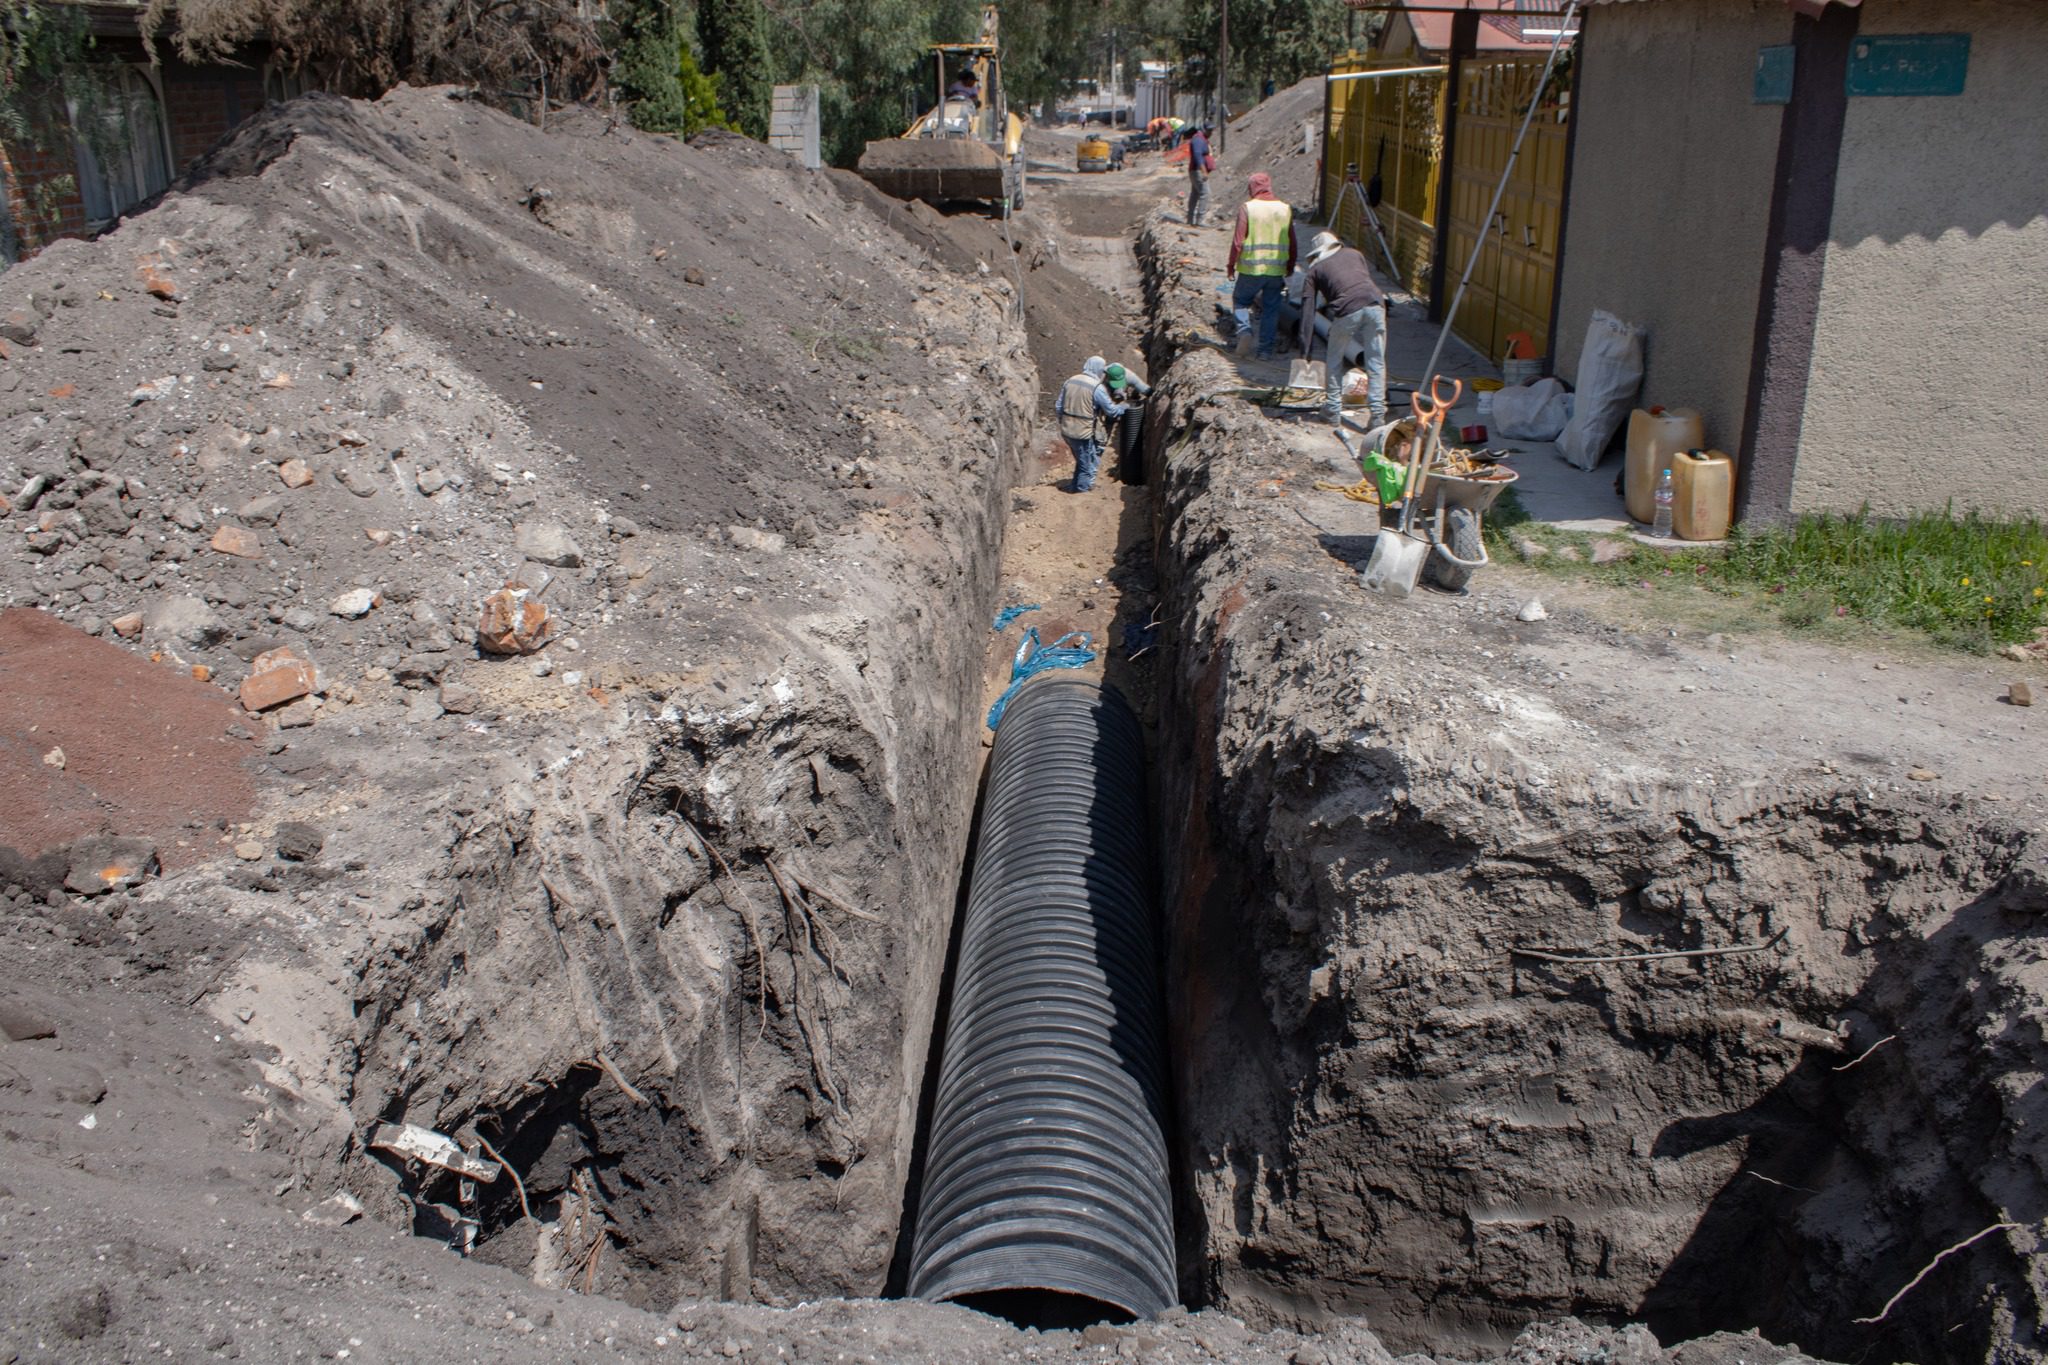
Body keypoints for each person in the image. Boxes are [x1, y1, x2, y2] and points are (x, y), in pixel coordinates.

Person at [1301, 230, 1388, 431]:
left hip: (1347, 310)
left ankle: (1332, 409)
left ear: (1316, 255)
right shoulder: (1354, 254)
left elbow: (1307, 309)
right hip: (1376, 305)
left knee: (1334, 359)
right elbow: (1361, 281)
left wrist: (1305, 350)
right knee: (1376, 361)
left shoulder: (1315, 271)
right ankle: (1377, 415)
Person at [1225, 172, 1297, 361]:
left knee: (1240, 300)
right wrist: (1290, 265)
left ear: (1252, 188)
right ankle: (1265, 351)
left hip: (1251, 269)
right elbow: (1293, 241)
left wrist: (1231, 265)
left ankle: (1245, 331)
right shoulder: (1285, 209)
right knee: (1271, 309)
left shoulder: (1248, 208)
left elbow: (1238, 242)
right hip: (1275, 271)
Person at [1054, 356, 1126, 494]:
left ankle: (1075, 486)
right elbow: (1111, 411)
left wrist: (1063, 421)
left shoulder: (1071, 380)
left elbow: (1058, 406)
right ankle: (1082, 492)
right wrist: (1123, 407)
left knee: (1082, 459)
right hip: (1083, 431)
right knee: (1086, 464)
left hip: (1066, 429)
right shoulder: (1097, 387)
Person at [1184, 123, 1214, 226]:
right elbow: (1197, 156)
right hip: (1198, 170)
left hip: (1196, 170)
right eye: (1209, 130)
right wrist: (1204, 171)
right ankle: (1200, 220)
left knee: (1195, 194)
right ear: (1203, 129)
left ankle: (1190, 219)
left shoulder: (1201, 139)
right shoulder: (1198, 140)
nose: (1211, 133)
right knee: (1205, 193)